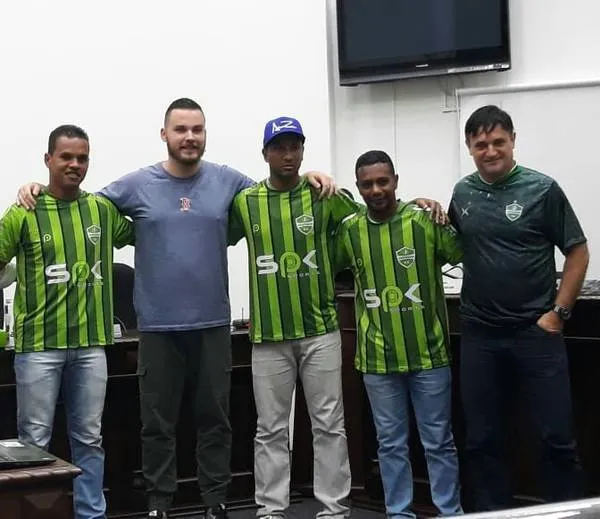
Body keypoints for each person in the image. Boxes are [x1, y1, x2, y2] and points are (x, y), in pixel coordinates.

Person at [16, 99, 336, 519]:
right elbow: (81, 201)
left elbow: (273, 189)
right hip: (157, 328)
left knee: (215, 420)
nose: (190, 137)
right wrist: (35, 187)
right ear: (164, 134)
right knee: (157, 425)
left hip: (213, 325)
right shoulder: (135, 186)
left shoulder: (227, 182)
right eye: (181, 129)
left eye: (197, 130)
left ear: (205, 135)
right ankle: (159, 505)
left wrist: (310, 174)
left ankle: (216, 502)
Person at [448, 105, 589, 511]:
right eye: (481, 144)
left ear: (512, 141)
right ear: (470, 148)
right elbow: (452, 239)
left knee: (556, 439)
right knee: (482, 440)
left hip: (535, 334)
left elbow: (578, 251)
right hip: (480, 334)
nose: (490, 151)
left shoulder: (542, 189)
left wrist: (557, 314)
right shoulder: (463, 193)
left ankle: (566, 512)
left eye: (498, 142)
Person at [0, 125, 134, 519]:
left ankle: (90, 513)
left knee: (89, 438)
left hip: (92, 347)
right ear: (48, 160)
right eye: (66, 157)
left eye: (82, 158)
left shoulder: (101, 210)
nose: (75, 165)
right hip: (38, 347)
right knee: (35, 441)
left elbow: (146, 226)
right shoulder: (24, 211)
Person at [228, 117, 359, 519]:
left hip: (321, 331)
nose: (288, 155)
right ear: (264, 153)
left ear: (303, 150)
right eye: (279, 147)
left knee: (329, 425)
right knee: (269, 429)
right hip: (269, 335)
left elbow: (369, 219)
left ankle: (334, 509)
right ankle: (270, 510)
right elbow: (216, 234)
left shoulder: (325, 194)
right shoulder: (246, 202)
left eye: (295, 147)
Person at [335, 150, 463, 519]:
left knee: (438, 441)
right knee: (391, 444)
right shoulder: (350, 229)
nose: (376, 190)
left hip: (430, 353)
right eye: (367, 184)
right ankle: (399, 513)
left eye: (383, 181)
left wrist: (442, 214)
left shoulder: (423, 220)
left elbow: (460, 251)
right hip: (378, 358)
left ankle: (450, 512)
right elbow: (334, 268)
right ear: (359, 187)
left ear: (396, 180)